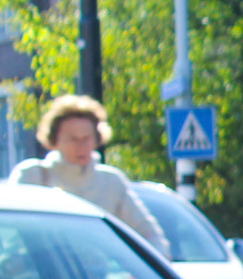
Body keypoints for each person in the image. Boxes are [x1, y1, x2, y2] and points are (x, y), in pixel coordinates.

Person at [9, 94, 170, 253]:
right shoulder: (32, 176)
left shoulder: (111, 182)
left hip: (100, 277)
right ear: (54, 140)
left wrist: (138, 275)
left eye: (87, 138)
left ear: (97, 139)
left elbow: (150, 235)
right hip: (41, 276)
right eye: (73, 139)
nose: (81, 146)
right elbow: (8, 236)